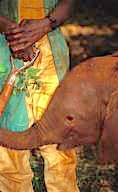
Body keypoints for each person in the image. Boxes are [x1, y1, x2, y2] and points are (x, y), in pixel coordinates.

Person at [0, 0, 79, 192]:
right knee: (9, 144)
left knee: (59, 146)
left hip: (52, 56)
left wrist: (46, 24)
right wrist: (14, 33)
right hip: (5, 53)